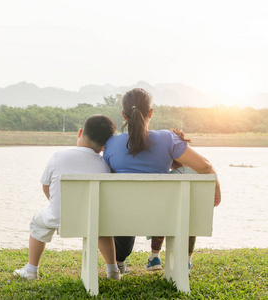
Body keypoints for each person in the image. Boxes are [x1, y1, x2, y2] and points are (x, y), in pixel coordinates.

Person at [103, 88, 221, 274]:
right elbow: (205, 167)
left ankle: (118, 262)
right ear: (151, 112)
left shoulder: (110, 144)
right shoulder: (168, 139)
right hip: (162, 220)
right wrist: (217, 191)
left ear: (123, 115)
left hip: (121, 220)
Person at [13, 115, 122, 281]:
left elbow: (45, 186)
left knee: (37, 223)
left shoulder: (58, 157)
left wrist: (58, 204)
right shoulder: (104, 164)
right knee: (103, 232)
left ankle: (31, 270)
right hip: (93, 219)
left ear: (80, 132)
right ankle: (113, 270)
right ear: (105, 145)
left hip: (60, 216)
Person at [147, 129, 198, 272]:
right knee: (191, 223)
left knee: (162, 217)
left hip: (165, 221)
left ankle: (154, 257)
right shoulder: (199, 174)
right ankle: (187, 261)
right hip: (192, 221)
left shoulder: (169, 176)